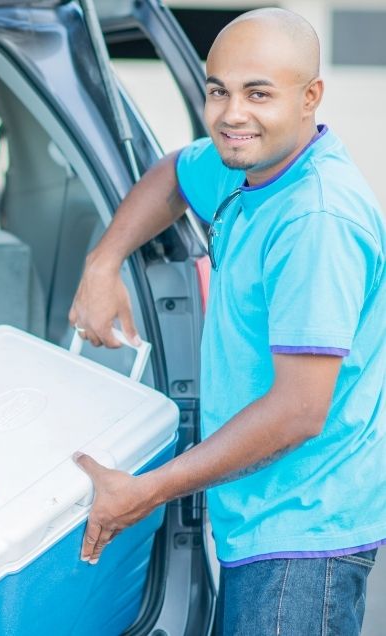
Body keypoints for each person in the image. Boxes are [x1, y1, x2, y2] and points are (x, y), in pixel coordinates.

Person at [67, 8, 385, 635]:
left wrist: (148, 490)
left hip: (301, 544)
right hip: (258, 525)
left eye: (258, 93)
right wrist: (103, 263)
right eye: (219, 91)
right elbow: (174, 174)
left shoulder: (315, 220)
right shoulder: (250, 166)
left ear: (310, 97)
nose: (232, 114)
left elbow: (298, 410)